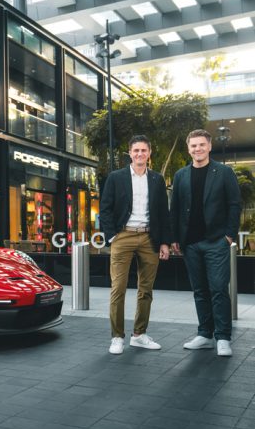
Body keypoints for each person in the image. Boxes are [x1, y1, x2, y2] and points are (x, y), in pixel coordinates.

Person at [171, 129, 241, 357]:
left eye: (201, 145)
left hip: (216, 241)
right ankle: (204, 334)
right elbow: (176, 209)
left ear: (209, 147)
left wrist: (229, 235)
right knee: (200, 290)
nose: (197, 149)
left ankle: (223, 337)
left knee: (219, 289)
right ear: (188, 148)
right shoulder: (181, 175)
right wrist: (174, 238)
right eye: (193, 146)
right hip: (190, 243)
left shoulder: (224, 172)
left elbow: (234, 205)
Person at [99, 135, 171, 355]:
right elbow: (105, 208)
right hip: (124, 236)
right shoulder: (116, 177)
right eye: (136, 150)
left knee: (146, 290)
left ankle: (139, 335)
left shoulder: (157, 180)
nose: (140, 154)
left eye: (143, 150)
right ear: (130, 153)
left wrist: (165, 242)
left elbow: (162, 213)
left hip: (150, 238)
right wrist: (112, 237)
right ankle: (117, 337)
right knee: (118, 288)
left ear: (149, 153)